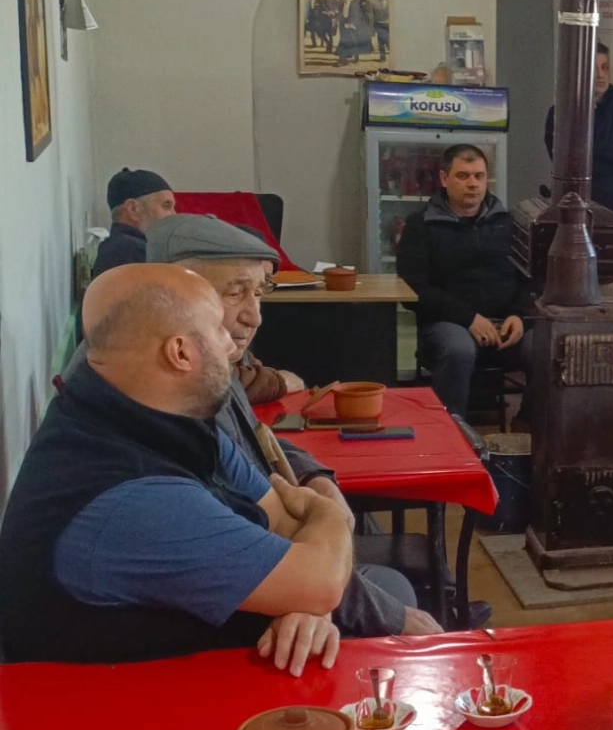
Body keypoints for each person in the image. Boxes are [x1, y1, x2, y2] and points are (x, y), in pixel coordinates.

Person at [0, 264, 353, 673]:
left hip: (196, 678)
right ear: (180, 352)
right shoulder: (132, 499)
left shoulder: (138, 412)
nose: (232, 347)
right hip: (135, 707)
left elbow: (284, 523)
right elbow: (321, 579)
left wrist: (302, 599)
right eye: (217, 329)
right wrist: (328, 513)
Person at [140, 214, 448, 638]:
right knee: (398, 598)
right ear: (174, 297)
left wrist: (314, 476)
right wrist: (381, 614)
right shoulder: (169, 406)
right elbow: (244, 543)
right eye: (234, 293)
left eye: (259, 292)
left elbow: (258, 440)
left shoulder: (213, 364)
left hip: (279, 563)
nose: (254, 316)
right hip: (241, 608)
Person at [396, 143, 532, 418]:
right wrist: (468, 318)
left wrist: (520, 315)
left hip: (507, 324)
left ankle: (531, 427)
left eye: (479, 176)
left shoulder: (511, 224)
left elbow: (531, 279)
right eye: (463, 176)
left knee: (550, 348)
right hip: (448, 325)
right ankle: (452, 429)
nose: (473, 184)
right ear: (444, 179)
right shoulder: (420, 225)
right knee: (458, 349)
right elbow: (414, 290)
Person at [544, 41, 613, 229]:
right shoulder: (560, 113)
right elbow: (567, 164)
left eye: (605, 67)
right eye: (594, 69)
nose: (600, 75)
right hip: (573, 218)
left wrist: (587, 147)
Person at [93, 168, 176, 278]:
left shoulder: (118, 246)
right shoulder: (132, 251)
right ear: (133, 209)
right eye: (166, 206)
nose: (174, 214)